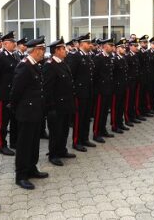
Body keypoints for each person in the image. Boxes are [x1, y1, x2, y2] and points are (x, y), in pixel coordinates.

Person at [10, 36, 49, 190]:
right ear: (36, 50)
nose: (43, 53)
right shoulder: (24, 66)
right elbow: (16, 91)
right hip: (26, 112)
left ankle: (32, 168)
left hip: (36, 111)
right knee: (24, 145)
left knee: (34, 143)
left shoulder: (36, 65)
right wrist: (16, 108)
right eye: (42, 50)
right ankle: (21, 175)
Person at [43, 37, 76, 166]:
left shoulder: (63, 62)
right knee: (55, 132)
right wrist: (50, 108)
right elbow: (47, 88)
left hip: (66, 104)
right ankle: (53, 154)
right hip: (56, 106)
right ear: (56, 50)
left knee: (64, 130)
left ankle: (62, 150)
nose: (65, 50)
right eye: (63, 49)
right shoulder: (49, 65)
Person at [65, 33, 96, 152]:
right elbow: (70, 75)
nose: (90, 45)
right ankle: (76, 141)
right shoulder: (75, 56)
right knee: (79, 117)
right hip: (79, 93)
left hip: (88, 91)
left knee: (87, 116)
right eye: (88, 43)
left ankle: (85, 138)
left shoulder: (87, 56)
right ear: (82, 44)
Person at [0, 31, 18, 156]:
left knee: (14, 120)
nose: (15, 44)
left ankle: (14, 141)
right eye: (12, 42)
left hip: (13, 94)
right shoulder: (0, 57)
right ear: (5, 43)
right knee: (3, 122)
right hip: (3, 94)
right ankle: (2, 145)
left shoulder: (14, 56)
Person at [92, 38, 115, 143]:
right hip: (100, 90)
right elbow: (95, 75)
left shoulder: (108, 57)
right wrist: (97, 89)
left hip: (108, 89)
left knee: (105, 111)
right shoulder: (98, 58)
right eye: (111, 46)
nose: (113, 48)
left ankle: (103, 129)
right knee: (99, 112)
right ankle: (96, 133)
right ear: (105, 46)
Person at [111, 38, 130, 133]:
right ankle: (115, 125)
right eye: (122, 47)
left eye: (125, 47)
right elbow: (112, 75)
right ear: (118, 49)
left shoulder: (123, 59)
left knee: (121, 106)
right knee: (116, 107)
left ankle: (120, 123)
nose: (125, 49)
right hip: (116, 87)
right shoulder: (114, 60)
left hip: (123, 86)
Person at [125, 37, 143, 125]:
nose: (137, 47)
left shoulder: (135, 55)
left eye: (137, 45)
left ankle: (133, 116)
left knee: (134, 99)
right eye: (135, 46)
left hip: (136, 81)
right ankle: (127, 118)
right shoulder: (127, 56)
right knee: (129, 101)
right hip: (130, 82)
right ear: (130, 46)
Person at [138, 35, 154, 117]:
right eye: (144, 42)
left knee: (146, 94)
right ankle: (141, 111)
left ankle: (146, 110)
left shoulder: (146, 52)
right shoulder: (139, 53)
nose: (146, 44)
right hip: (142, 78)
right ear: (140, 43)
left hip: (147, 77)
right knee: (141, 96)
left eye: (146, 42)